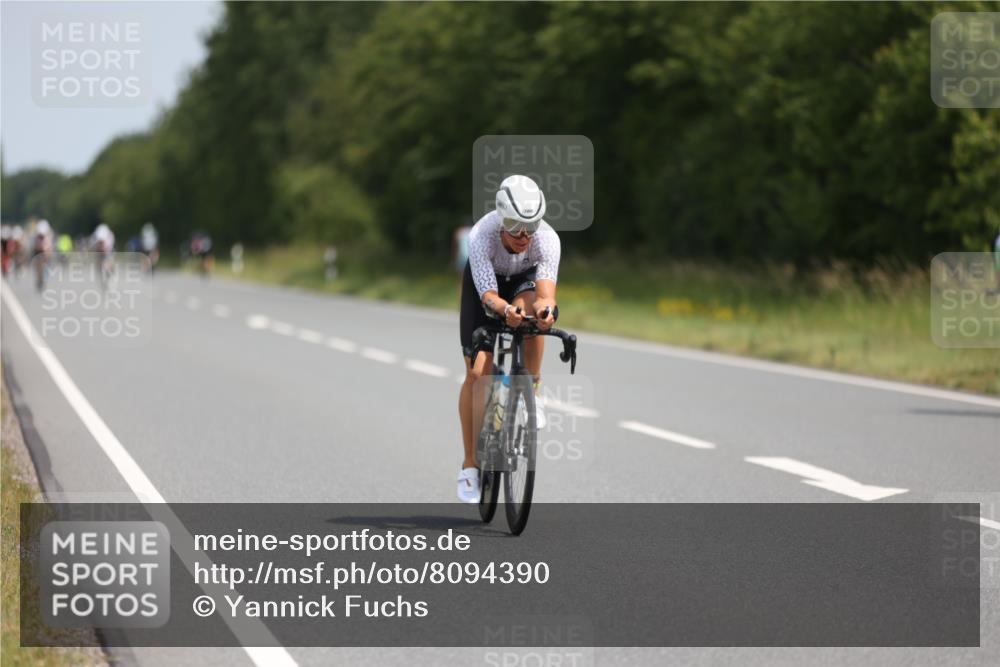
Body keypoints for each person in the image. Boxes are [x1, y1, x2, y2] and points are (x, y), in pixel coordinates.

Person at [456, 175, 560, 503]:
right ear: (501, 218)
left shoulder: (546, 239)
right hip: (486, 289)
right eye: (514, 225)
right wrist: (503, 312)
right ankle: (470, 465)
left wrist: (545, 312)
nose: (523, 235)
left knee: (535, 320)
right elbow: (487, 294)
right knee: (477, 374)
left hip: (522, 283)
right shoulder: (481, 236)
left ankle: (534, 390)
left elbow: (545, 294)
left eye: (531, 225)